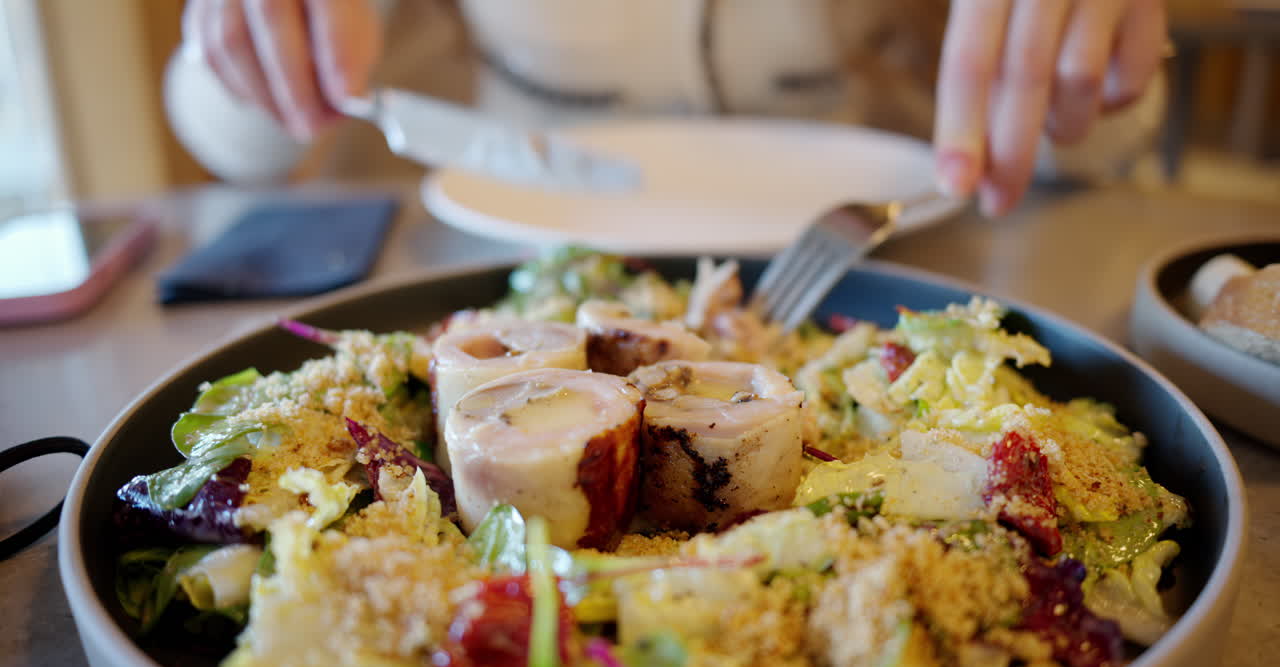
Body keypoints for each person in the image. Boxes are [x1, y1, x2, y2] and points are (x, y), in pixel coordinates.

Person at [169, 0, 1169, 217]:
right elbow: (235, 145)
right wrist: (257, 41)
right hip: (506, 281)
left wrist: (1089, 51)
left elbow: (1087, 144)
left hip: (877, 269)